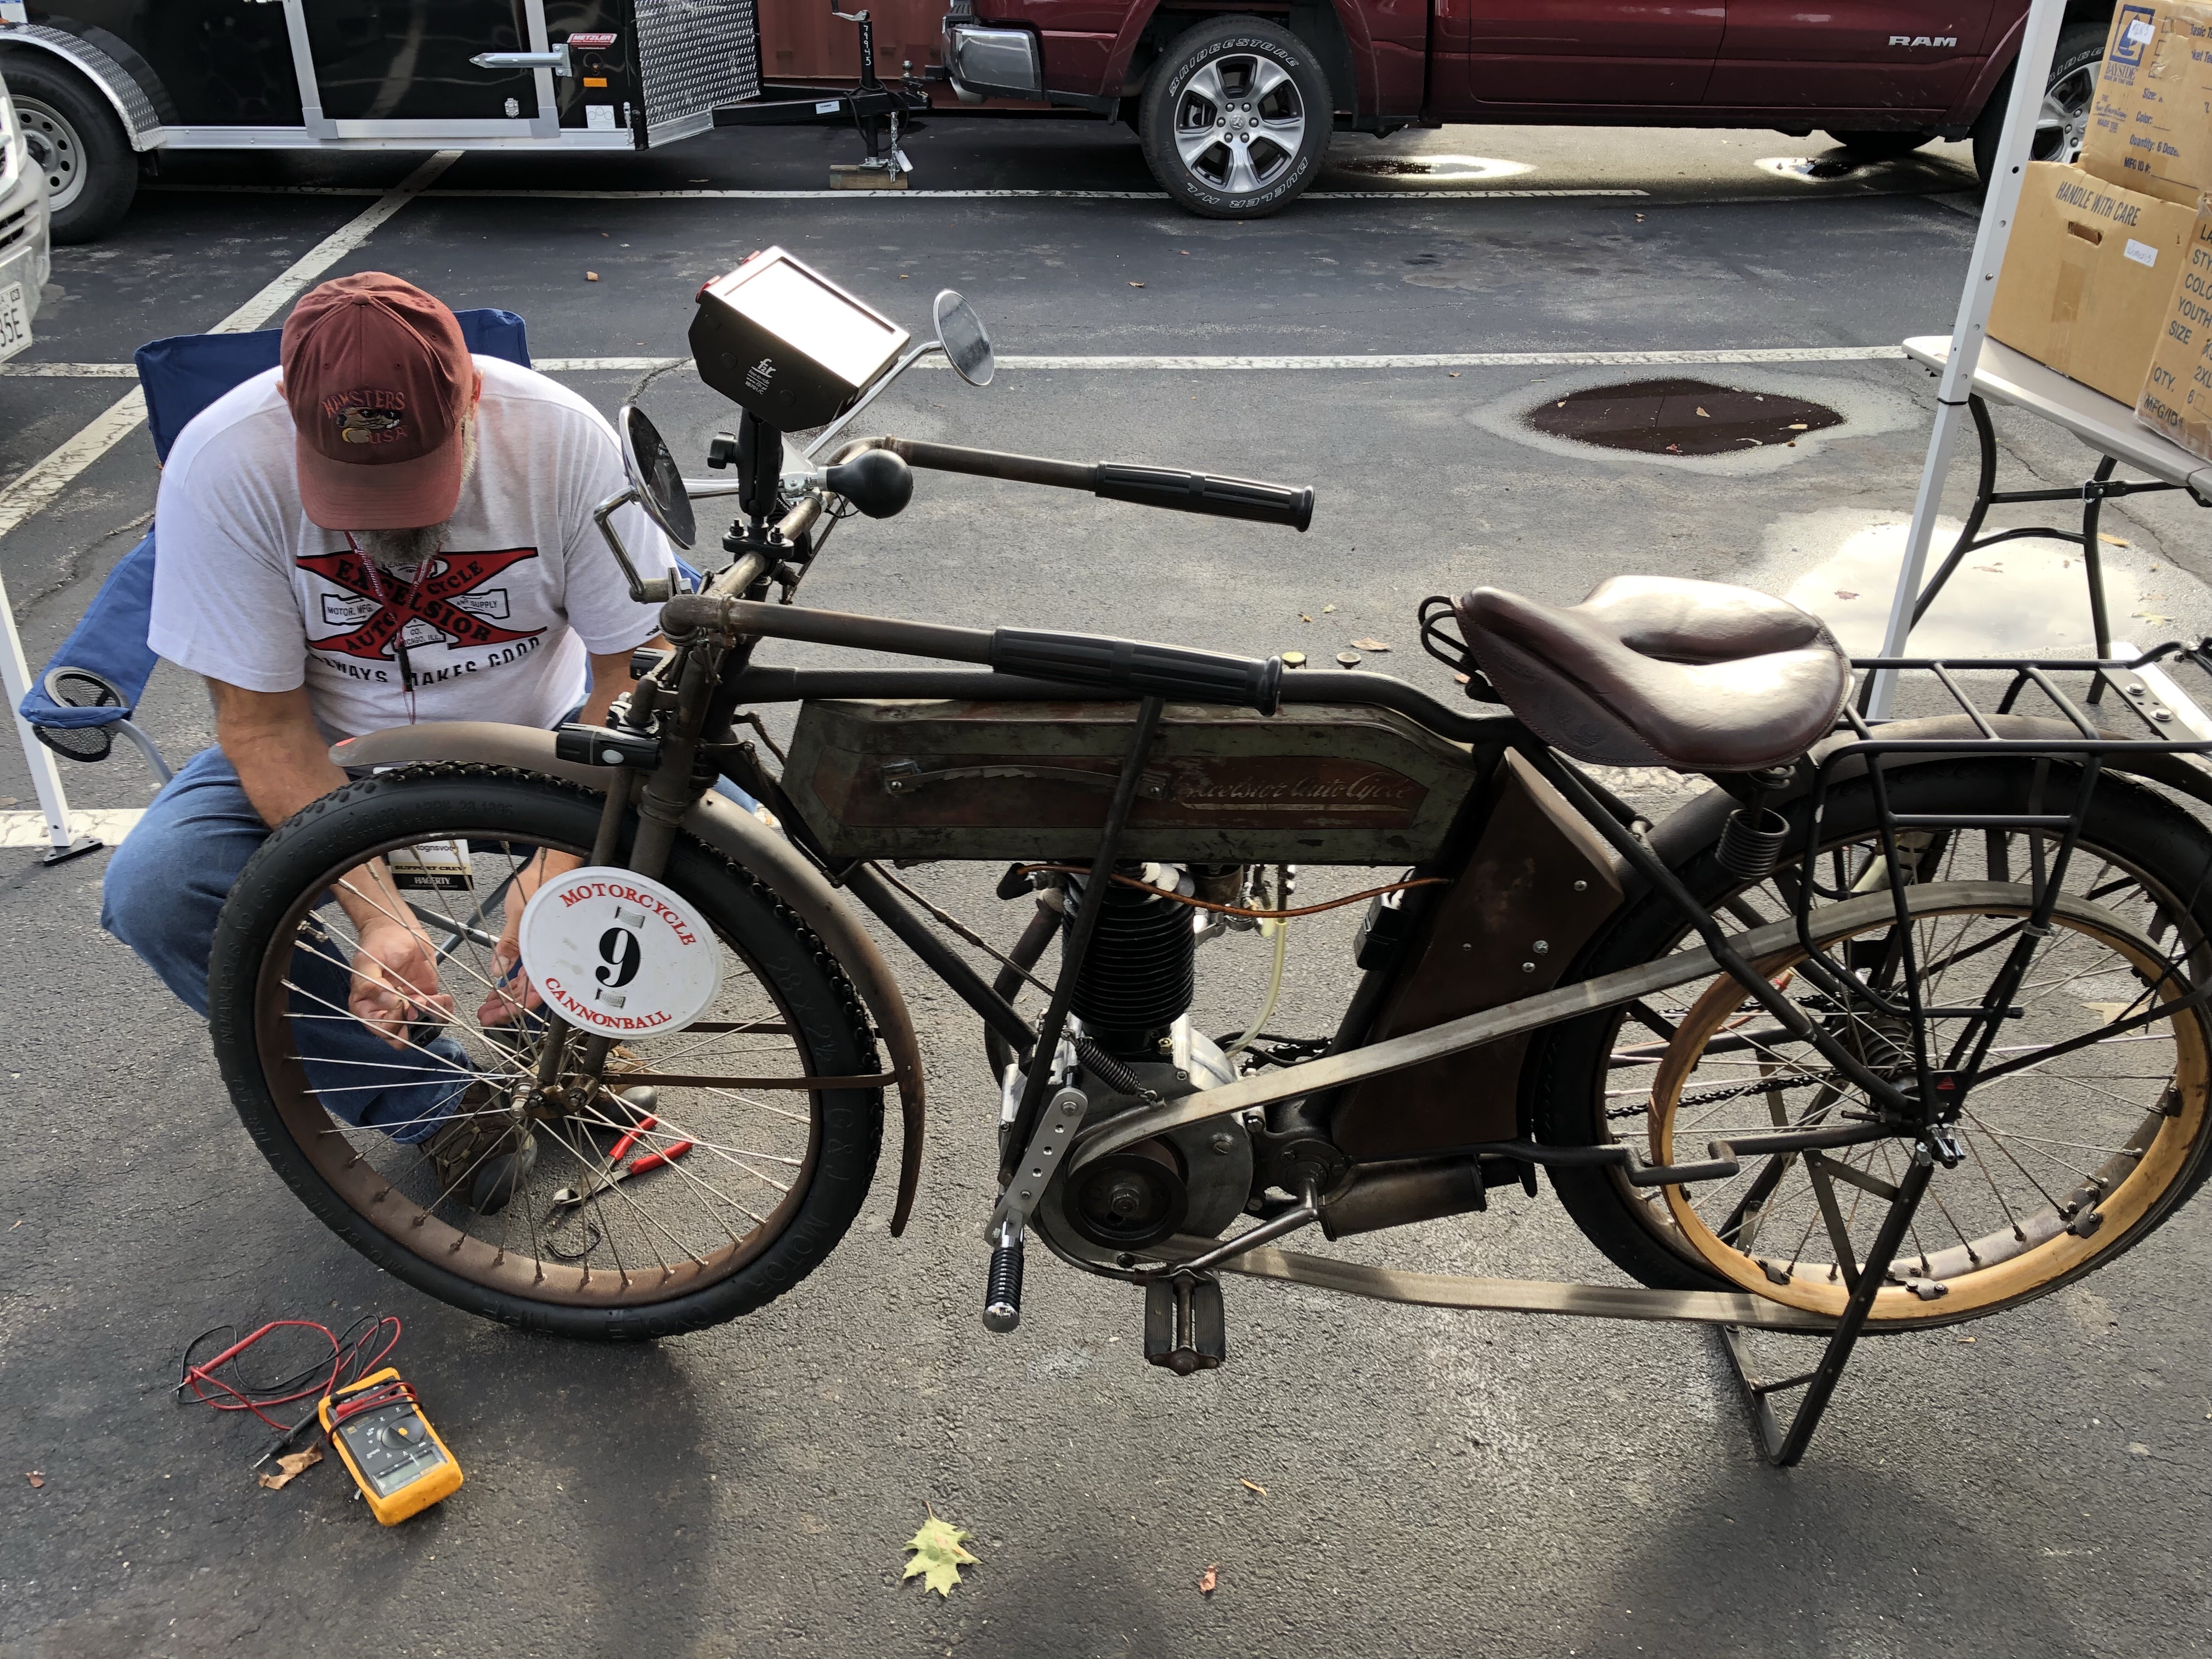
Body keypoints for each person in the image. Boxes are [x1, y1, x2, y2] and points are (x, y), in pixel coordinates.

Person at [103, 272, 678, 1211]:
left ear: (472, 399)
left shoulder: (565, 437)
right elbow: (262, 723)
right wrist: (377, 912)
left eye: (415, 480)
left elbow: (637, 670)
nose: (390, 518)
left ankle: (565, 1045)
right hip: (332, 752)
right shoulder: (220, 463)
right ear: (291, 413)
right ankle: (437, 1101)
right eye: (356, 490)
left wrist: (561, 860)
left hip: (537, 743)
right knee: (158, 889)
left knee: (721, 828)